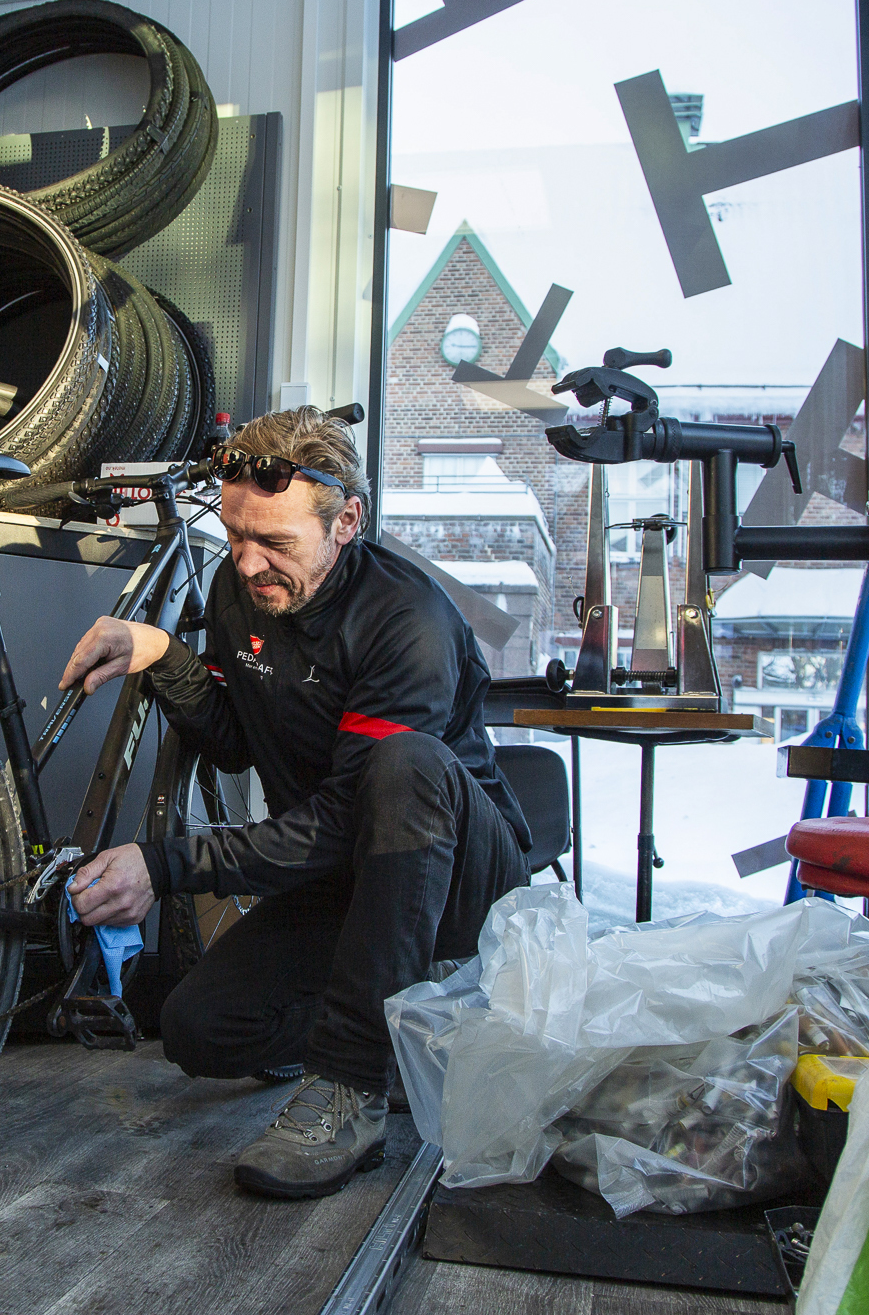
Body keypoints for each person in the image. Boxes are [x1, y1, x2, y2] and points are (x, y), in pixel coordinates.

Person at [57, 405, 531, 1198]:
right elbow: (238, 739)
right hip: (336, 878)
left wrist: (166, 864)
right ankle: (408, 1029)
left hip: (448, 884)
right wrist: (161, 653)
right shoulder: (241, 589)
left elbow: (352, 812)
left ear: (345, 520)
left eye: (274, 542)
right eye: (236, 536)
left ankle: (352, 1081)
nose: (246, 564)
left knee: (403, 764)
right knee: (198, 1029)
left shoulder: (405, 621)